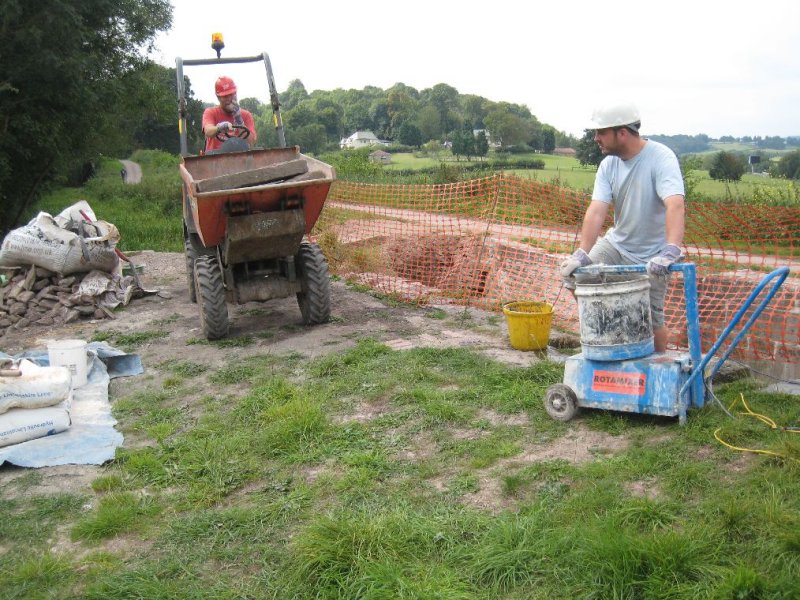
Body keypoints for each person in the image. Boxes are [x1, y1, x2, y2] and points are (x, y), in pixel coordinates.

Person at [560, 103, 685, 353]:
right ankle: (609, 338)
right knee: (577, 277)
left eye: (601, 132)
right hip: (616, 245)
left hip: (654, 255)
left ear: (622, 133)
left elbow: (675, 204)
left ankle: (658, 371)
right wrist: (583, 253)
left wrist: (671, 250)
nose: (596, 138)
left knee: (653, 316)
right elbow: (597, 211)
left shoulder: (661, 158)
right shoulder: (609, 165)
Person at [202, 76, 257, 153]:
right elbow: (208, 131)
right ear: (218, 97)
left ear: (236, 93)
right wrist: (219, 128)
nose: (229, 99)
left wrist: (239, 121)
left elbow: (252, 142)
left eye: (231, 94)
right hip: (215, 160)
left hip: (241, 159)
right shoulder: (210, 112)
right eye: (225, 96)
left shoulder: (246, 115)